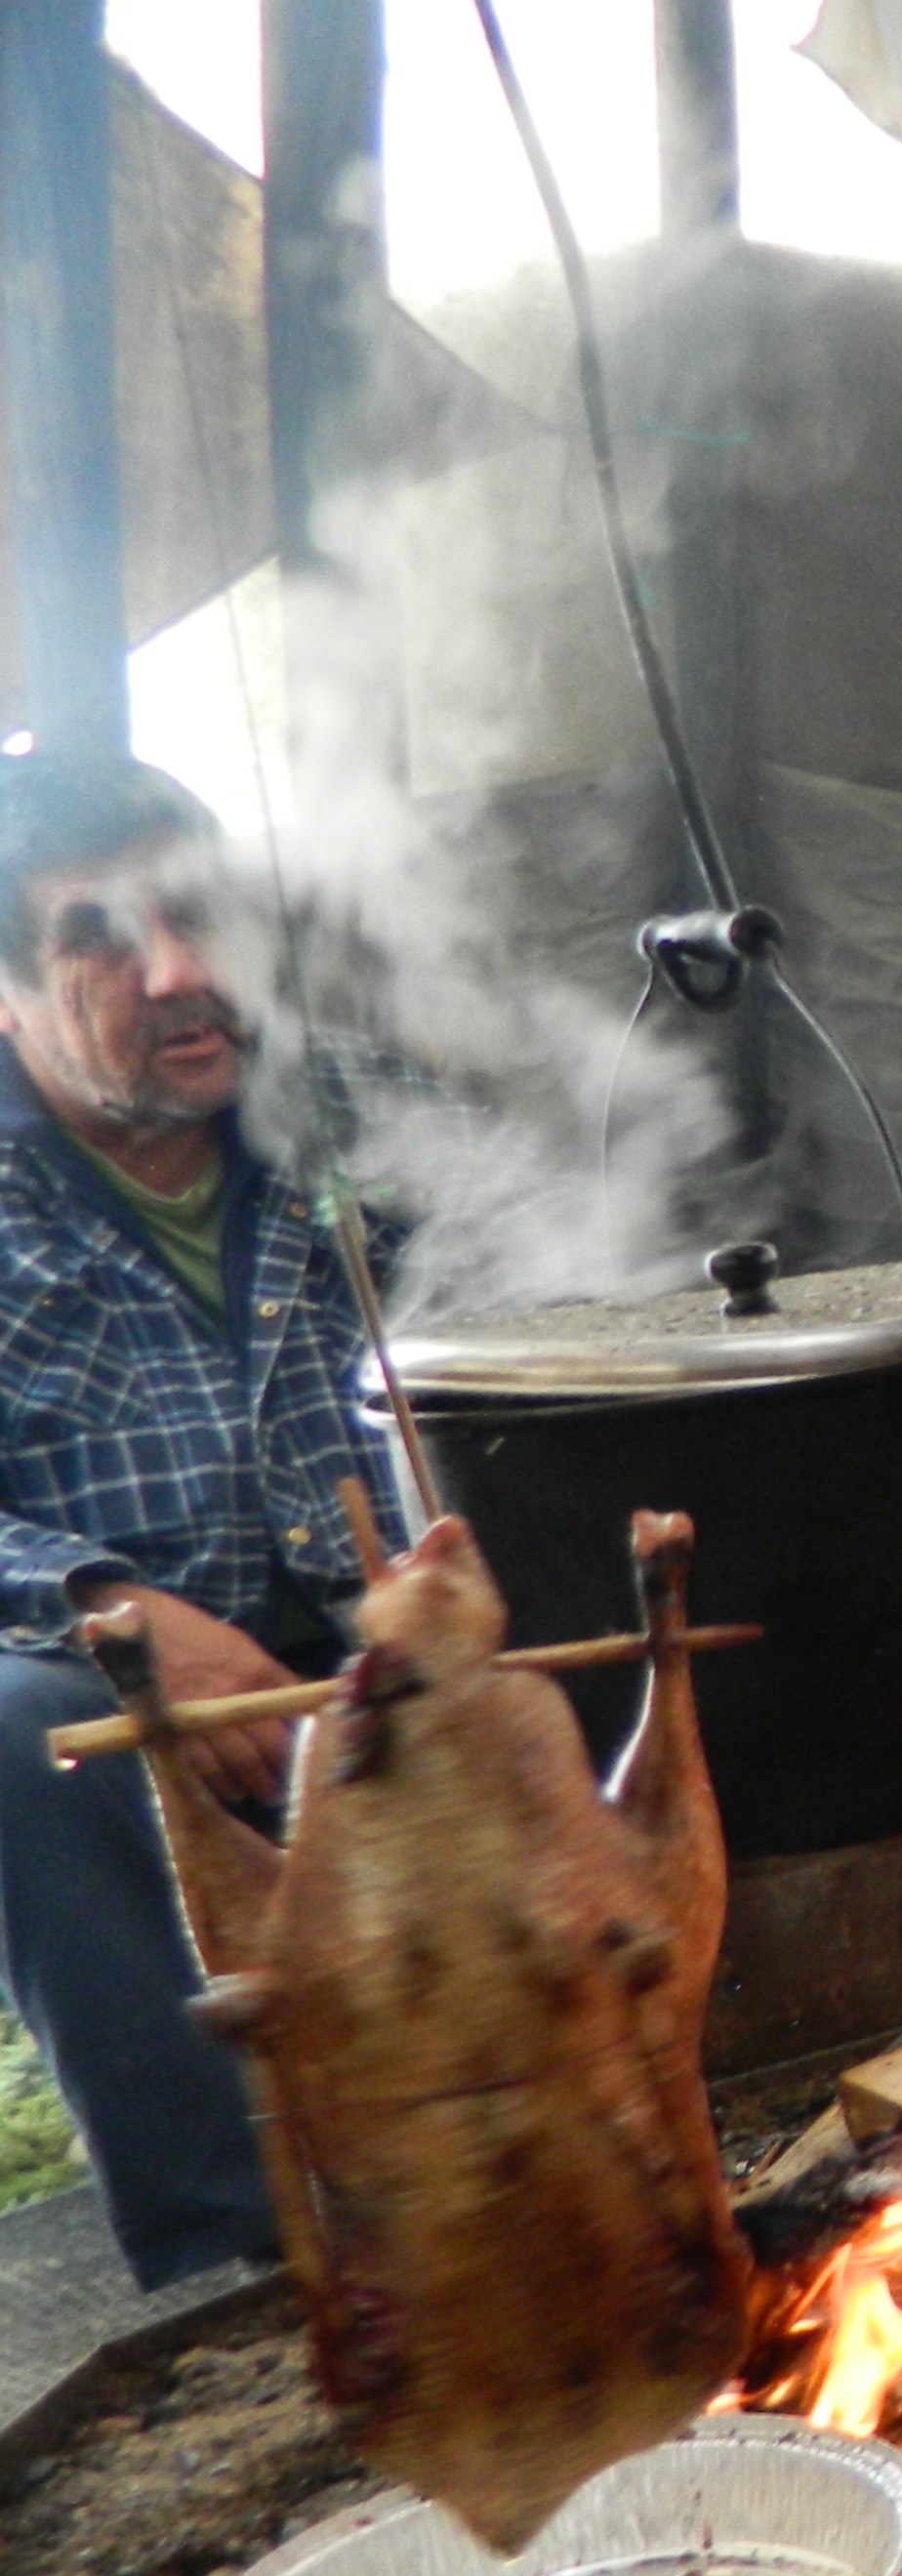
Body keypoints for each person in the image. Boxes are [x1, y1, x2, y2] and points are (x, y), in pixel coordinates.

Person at [0, 753, 403, 2287]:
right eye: (97, 937)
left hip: (394, 1670)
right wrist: (111, 1612)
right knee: (13, 1737)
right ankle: (246, 2272)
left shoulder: (363, 1111)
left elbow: (538, 1323)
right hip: (134, 1717)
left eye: (202, 914)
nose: (179, 973)